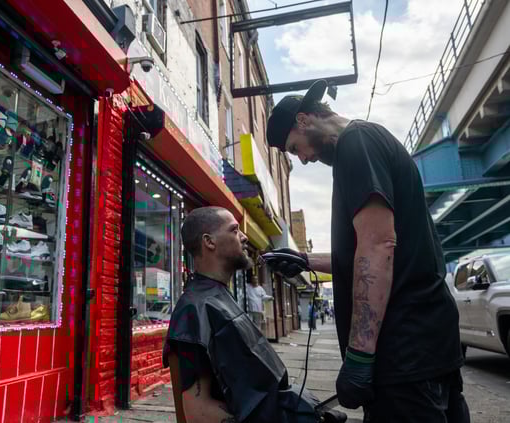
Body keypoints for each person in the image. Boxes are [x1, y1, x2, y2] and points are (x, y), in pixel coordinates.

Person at [264, 80, 470, 422]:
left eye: (295, 148)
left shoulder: (356, 143)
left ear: (303, 121)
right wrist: (304, 260)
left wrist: (359, 357)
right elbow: (370, 250)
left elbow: (378, 246)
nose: (303, 159)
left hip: (404, 354)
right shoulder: (367, 141)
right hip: (427, 346)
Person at [163, 207, 325, 423]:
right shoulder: (193, 309)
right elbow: (197, 411)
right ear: (209, 242)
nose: (245, 237)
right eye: (235, 230)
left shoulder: (220, 296)